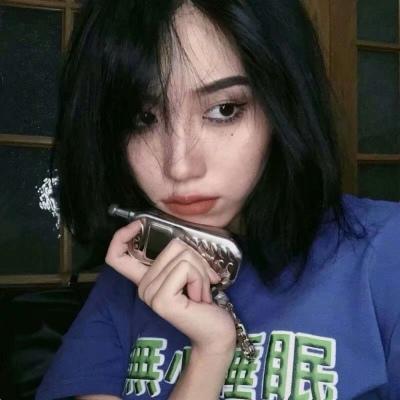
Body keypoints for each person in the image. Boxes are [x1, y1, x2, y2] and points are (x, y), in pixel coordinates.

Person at [36, 0, 400, 399]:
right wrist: (209, 355)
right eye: (143, 118)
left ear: (284, 105)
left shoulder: (384, 252)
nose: (180, 166)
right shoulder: (129, 279)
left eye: (224, 110)